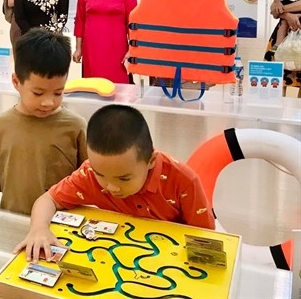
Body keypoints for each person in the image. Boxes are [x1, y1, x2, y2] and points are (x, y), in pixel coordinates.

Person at [14, 104, 215, 262]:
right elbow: (48, 199)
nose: (111, 187)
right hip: (114, 258)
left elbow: (206, 240)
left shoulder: (184, 181)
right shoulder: (89, 174)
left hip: (167, 261)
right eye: (101, 174)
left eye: (124, 178)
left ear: (151, 160)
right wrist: (39, 228)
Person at [0, 28, 87, 215]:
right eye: (38, 93)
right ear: (16, 82)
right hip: (13, 224)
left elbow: (87, 183)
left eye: (58, 92)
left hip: (61, 229)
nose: (48, 102)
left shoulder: (76, 127)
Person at [73, 0, 137, 83]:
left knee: (118, 89)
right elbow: (80, 21)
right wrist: (78, 48)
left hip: (117, 49)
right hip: (92, 50)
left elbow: (133, 26)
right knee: (93, 87)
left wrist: (132, 50)